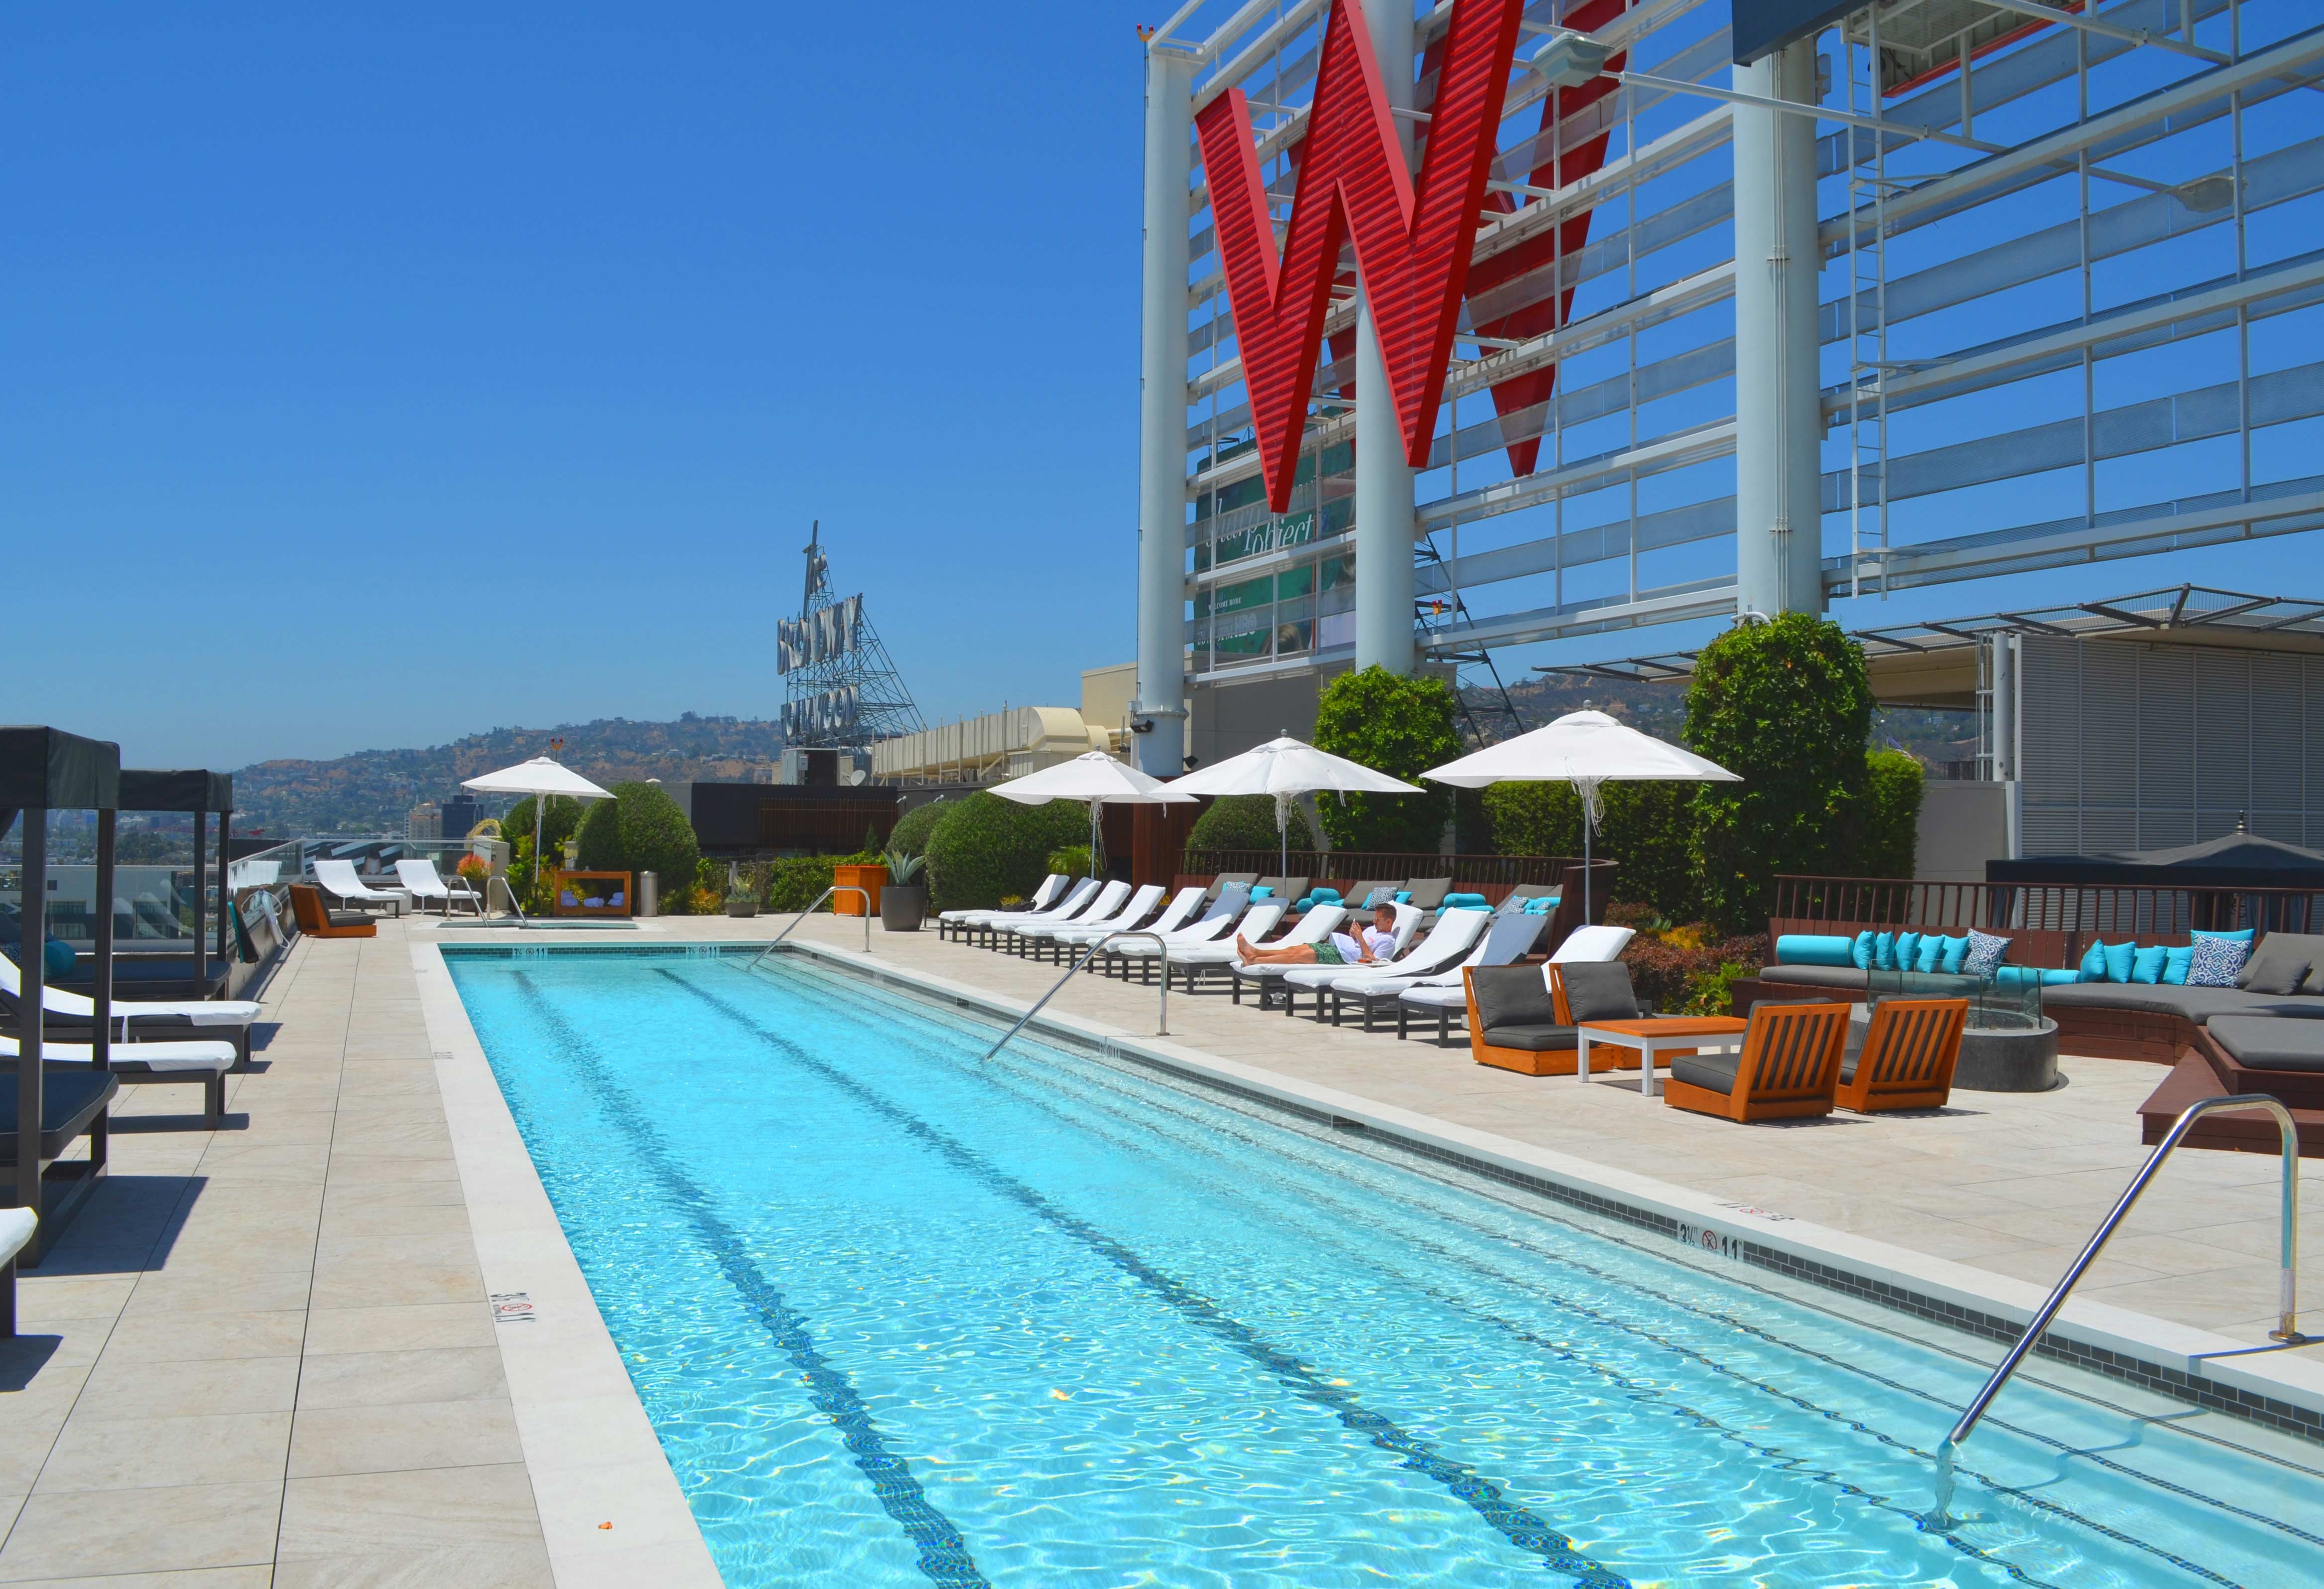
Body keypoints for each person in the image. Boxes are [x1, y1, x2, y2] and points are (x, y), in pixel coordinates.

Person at [1235, 903, 1399, 966]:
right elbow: (1360, 943)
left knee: (1296, 957)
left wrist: (1361, 938)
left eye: (1378, 919)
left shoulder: (1388, 941)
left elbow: (1375, 963)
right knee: (1293, 949)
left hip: (1344, 958)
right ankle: (1255, 953)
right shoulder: (1373, 930)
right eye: (1374, 918)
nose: (1374, 921)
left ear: (1389, 921)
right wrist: (1355, 935)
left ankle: (1254, 961)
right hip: (1337, 949)